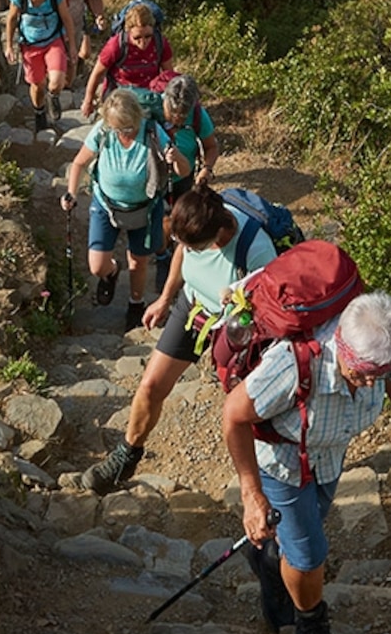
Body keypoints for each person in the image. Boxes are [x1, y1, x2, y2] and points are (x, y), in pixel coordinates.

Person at [223, 292, 391, 634]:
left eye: (377, 374)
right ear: (340, 346)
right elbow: (233, 415)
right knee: (310, 553)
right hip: (281, 464)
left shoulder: (388, 351)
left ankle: (268, 557)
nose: (370, 382)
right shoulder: (293, 365)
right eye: (361, 372)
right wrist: (251, 495)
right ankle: (311, 627)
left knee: (296, 545)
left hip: (328, 460)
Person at [86, 176, 279, 491]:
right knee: (150, 385)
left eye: (195, 247)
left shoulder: (257, 251)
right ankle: (126, 455)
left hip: (237, 328)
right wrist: (164, 298)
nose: (187, 250)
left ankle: (261, 481)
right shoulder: (196, 225)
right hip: (193, 307)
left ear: (218, 235)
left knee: (242, 409)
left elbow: (266, 312)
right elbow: (181, 252)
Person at [62, 88, 173, 321]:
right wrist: (71, 192)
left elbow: (181, 170)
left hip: (145, 208)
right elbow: (79, 162)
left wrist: (176, 158)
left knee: (139, 261)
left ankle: (136, 304)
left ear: (137, 117)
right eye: (119, 129)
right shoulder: (103, 131)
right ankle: (112, 272)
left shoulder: (153, 132)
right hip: (106, 204)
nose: (124, 133)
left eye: (128, 127)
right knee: (97, 267)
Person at [6, 0, 72, 121]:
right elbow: (11, 20)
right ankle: (39, 112)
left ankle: (53, 97)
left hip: (53, 40)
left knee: (56, 81)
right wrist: (9, 46)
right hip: (30, 44)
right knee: (38, 85)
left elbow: (67, 19)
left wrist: (72, 45)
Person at [85, 0, 174, 111]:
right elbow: (97, 74)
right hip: (120, 98)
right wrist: (88, 101)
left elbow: (169, 76)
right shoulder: (116, 45)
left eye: (148, 36)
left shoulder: (160, 43)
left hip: (150, 97)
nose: (143, 42)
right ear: (128, 31)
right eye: (137, 37)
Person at [154, 71, 216, 185]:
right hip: (152, 180)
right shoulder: (151, 109)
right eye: (172, 113)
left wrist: (206, 169)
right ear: (165, 100)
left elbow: (211, 146)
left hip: (183, 178)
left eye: (183, 116)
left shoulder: (198, 115)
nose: (176, 118)